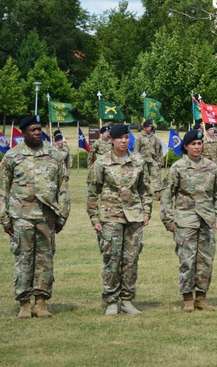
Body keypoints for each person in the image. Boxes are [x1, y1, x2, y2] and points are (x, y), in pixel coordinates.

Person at [0, 115, 70, 318]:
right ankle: (24, 304)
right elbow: (2, 190)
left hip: (47, 217)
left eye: (39, 129)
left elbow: (63, 187)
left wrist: (62, 216)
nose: (37, 132)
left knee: (45, 260)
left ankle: (41, 302)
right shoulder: (12, 156)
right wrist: (4, 219)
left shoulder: (54, 155)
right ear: (23, 132)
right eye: (32, 130)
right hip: (21, 217)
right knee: (24, 260)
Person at [86, 123, 153, 315]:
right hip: (110, 216)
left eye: (126, 137)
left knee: (131, 260)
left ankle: (127, 300)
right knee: (112, 258)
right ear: (112, 140)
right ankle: (111, 301)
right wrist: (94, 217)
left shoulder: (138, 161)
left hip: (134, 216)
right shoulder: (102, 162)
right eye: (119, 138)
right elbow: (92, 192)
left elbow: (145, 189)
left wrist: (146, 213)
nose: (123, 141)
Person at [161, 128, 217, 312]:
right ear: (186, 146)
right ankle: (188, 298)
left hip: (207, 220)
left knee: (205, 261)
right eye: (193, 144)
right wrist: (169, 221)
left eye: (199, 144)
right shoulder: (178, 168)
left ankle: (201, 297)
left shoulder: (212, 167)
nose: (197, 147)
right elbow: (167, 195)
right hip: (185, 220)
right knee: (187, 260)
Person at [137, 119, 164, 200]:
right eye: (149, 126)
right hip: (143, 161)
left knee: (156, 176)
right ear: (145, 127)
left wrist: (160, 161)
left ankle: (158, 193)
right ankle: (144, 193)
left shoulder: (154, 138)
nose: (150, 128)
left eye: (151, 126)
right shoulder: (139, 138)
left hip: (153, 160)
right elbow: (136, 151)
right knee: (144, 178)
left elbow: (158, 150)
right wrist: (136, 162)